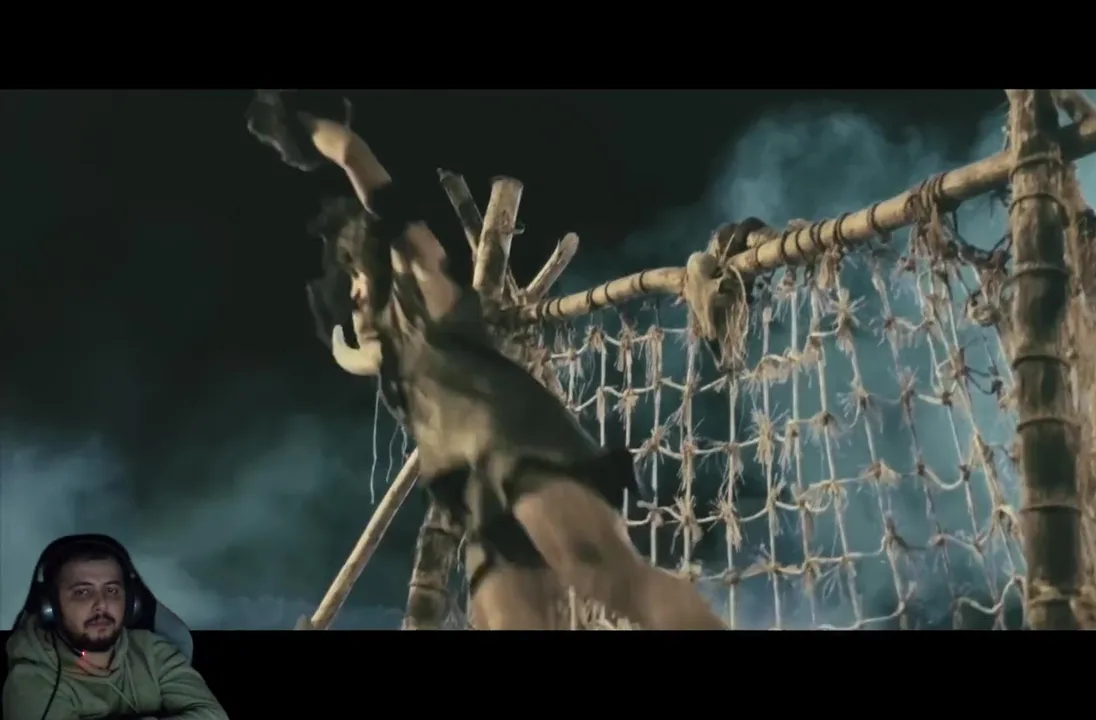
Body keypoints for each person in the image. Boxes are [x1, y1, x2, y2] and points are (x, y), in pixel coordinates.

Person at [248, 90, 725, 630]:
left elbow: (362, 166)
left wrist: (308, 129)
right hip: (476, 494)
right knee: (507, 618)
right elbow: (369, 352)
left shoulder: (430, 284)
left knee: (606, 576)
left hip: (520, 447)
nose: (354, 292)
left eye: (359, 275)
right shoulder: (400, 359)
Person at [3, 535, 228, 720]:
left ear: (131, 603)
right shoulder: (32, 677)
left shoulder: (154, 651)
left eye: (112, 590)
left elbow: (214, 716)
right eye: (83, 592)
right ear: (50, 607)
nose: (102, 604)